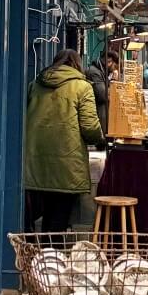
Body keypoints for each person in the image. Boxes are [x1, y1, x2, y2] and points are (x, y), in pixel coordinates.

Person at [24, 49, 104, 232]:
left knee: (40, 214)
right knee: (59, 218)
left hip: (35, 160)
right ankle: (52, 249)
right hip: (67, 163)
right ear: (77, 64)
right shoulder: (82, 87)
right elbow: (90, 127)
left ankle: (37, 247)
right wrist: (100, 139)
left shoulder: (35, 84)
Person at [85, 50, 119, 134]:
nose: (114, 69)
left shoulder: (101, 71)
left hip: (99, 114)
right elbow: (103, 96)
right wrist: (114, 81)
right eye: (115, 66)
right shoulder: (94, 72)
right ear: (109, 61)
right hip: (97, 115)